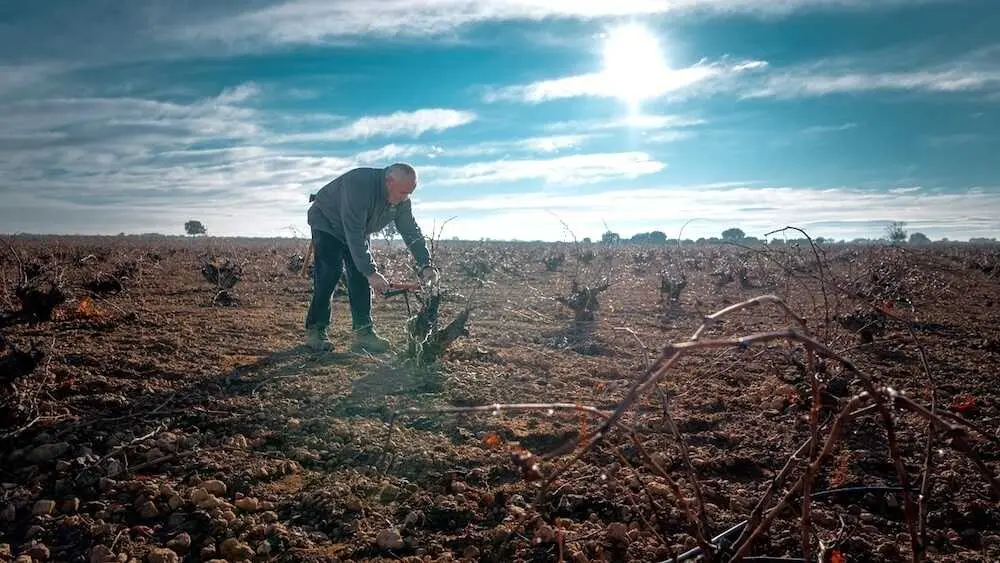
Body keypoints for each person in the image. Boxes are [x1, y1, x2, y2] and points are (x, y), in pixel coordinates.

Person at [304, 162, 438, 353]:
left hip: (359, 229)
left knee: (360, 276)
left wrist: (426, 264)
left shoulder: (402, 200)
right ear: (389, 182)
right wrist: (371, 272)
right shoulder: (359, 185)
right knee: (329, 273)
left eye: (409, 193)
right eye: (403, 192)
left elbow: (411, 231)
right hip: (328, 223)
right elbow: (353, 232)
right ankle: (316, 329)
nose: (405, 198)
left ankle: (363, 332)